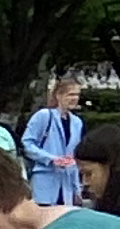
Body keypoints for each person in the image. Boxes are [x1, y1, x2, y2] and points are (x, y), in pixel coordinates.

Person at [25, 77, 87, 210]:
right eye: (70, 94)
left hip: (67, 186)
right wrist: (51, 159)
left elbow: (74, 156)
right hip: (44, 184)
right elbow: (27, 144)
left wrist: (77, 189)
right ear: (59, 95)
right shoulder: (43, 116)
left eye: (77, 95)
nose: (74, 98)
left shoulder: (77, 122)